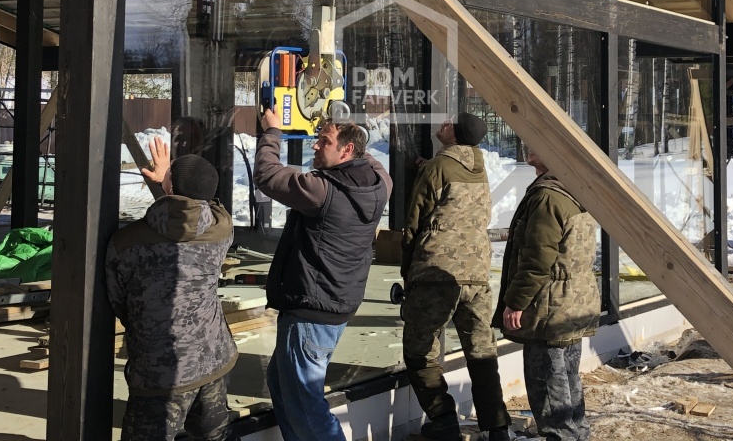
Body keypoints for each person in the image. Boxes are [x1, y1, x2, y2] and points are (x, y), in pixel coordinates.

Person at [253, 108, 392, 441]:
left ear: (345, 151)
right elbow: (369, 158)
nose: (315, 147)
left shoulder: (321, 191)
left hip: (309, 314)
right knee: (281, 383)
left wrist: (273, 132)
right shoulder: (378, 183)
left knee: (307, 407)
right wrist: (344, 128)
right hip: (333, 307)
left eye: (324, 141)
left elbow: (267, 174)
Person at [106, 151, 237, 441]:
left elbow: (117, 300)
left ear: (171, 188)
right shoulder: (222, 229)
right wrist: (170, 185)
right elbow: (193, 214)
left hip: (160, 372)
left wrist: (166, 186)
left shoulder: (127, 241)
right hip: (212, 360)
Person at [401, 113, 512, 441]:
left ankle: (442, 416)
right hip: (476, 272)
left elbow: (413, 222)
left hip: (437, 271)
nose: (443, 122)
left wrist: (408, 269)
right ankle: (497, 427)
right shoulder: (478, 168)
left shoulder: (437, 168)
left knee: (419, 349)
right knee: (481, 351)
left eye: (449, 122)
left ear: (454, 134)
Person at [494, 149, 600, 441]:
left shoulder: (548, 197)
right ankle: (576, 436)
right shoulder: (575, 192)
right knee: (567, 380)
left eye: (541, 143)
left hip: (550, 306)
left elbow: (537, 259)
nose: (530, 145)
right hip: (573, 303)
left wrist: (516, 302)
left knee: (549, 385)